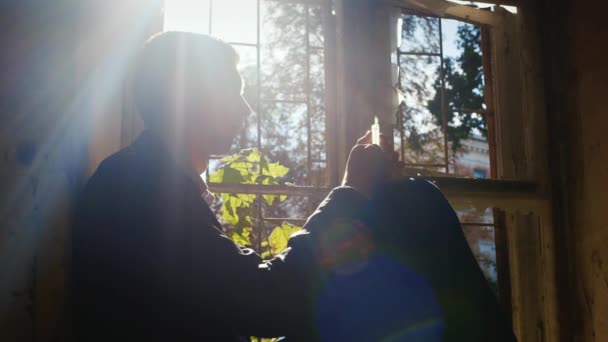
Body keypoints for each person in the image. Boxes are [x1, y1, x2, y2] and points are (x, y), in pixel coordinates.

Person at [71, 31, 392, 341]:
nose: (246, 109)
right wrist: (351, 194)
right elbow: (263, 302)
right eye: (232, 92)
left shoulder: (141, 175)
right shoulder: (140, 185)